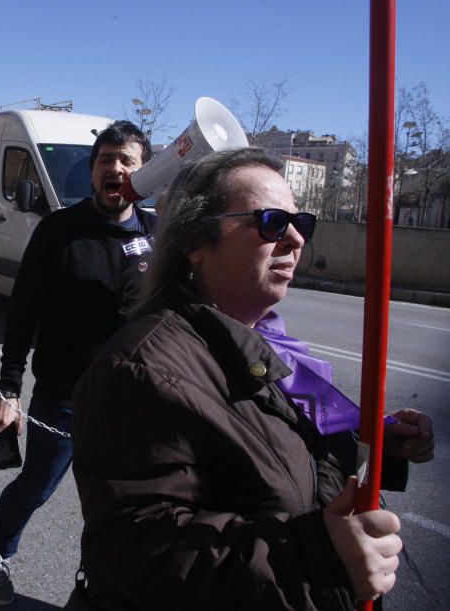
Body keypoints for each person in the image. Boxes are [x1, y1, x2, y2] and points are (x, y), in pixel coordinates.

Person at [72, 147, 435, 609]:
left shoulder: (266, 344)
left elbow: (299, 447)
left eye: (300, 223)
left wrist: (382, 441)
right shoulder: (141, 371)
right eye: (269, 222)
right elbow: (141, 558)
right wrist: (319, 564)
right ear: (196, 243)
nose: (294, 239)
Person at [0, 120, 154, 605]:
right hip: (63, 399)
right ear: (93, 171)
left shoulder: (158, 234)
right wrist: (10, 389)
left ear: (143, 174)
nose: (114, 168)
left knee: (117, 504)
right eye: (105, 160)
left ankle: (97, 580)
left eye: (126, 161)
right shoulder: (59, 231)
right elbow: (22, 315)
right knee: (35, 486)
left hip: (132, 404)